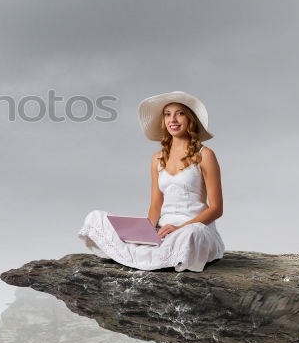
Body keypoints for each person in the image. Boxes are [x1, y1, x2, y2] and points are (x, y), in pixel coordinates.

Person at [78, 91, 226, 272]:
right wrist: (147, 232)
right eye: (167, 114)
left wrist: (179, 227)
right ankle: (150, 252)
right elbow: (156, 204)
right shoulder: (157, 159)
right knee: (96, 217)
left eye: (180, 113)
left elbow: (216, 209)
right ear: (163, 121)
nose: (173, 119)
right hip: (162, 230)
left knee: (192, 234)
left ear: (190, 119)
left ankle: (160, 254)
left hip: (192, 228)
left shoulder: (205, 155)